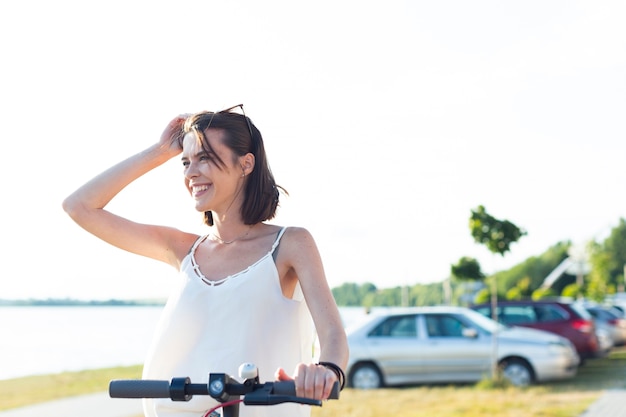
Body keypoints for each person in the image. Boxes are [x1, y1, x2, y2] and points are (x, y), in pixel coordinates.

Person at [62, 104, 349, 417]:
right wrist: (159, 151)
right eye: (185, 162)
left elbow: (332, 333)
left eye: (204, 158)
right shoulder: (183, 249)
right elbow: (79, 206)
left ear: (246, 164)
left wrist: (326, 370)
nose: (190, 172)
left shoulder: (290, 244)